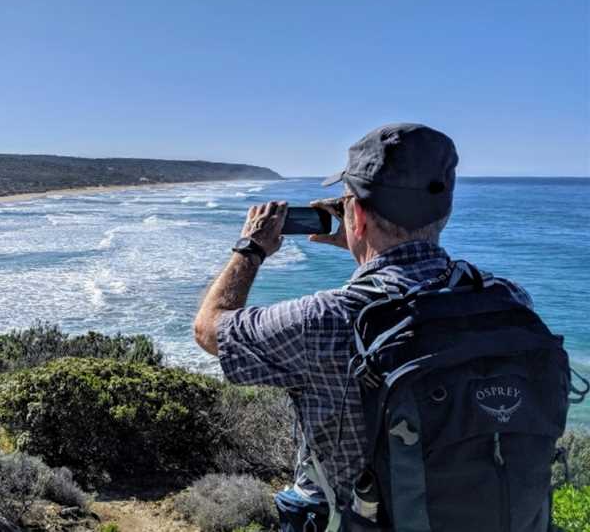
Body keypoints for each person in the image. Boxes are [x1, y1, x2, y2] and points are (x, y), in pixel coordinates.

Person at [193, 123, 535, 528]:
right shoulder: (507, 298)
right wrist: (364, 244)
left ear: (354, 214)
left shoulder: (325, 320)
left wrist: (251, 247)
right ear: (445, 209)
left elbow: (211, 328)